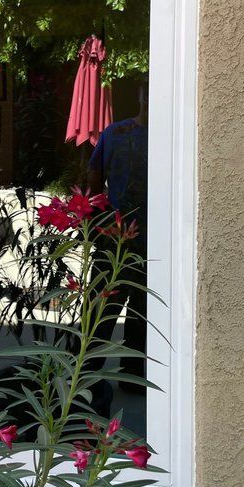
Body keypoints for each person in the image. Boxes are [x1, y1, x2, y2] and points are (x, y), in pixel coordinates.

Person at [87, 79, 148, 387]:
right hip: (114, 233)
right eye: (145, 86)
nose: (149, 93)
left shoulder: (172, 134)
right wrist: (98, 217)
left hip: (153, 235)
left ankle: (133, 376)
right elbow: (95, 174)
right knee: (102, 304)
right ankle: (86, 376)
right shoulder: (116, 132)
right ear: (139, 93)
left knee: (142, 307)